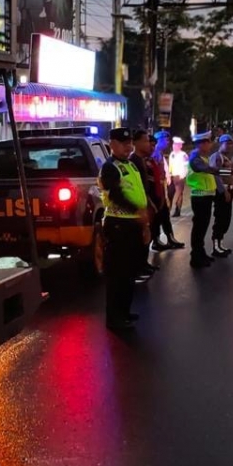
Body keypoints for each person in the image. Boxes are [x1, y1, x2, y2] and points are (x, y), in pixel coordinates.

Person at [98, 127, 149, 331]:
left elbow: (139, 191)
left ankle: (125, 312)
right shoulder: (110, 167)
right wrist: (137, 210)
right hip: (118, 225)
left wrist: (144, 222)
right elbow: (116, 196)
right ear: (112, 144)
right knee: (117, 274)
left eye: (129, 143)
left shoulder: (131, 165)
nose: (128, 146)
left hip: (133, 223)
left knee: (129, 272)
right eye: (123, 143)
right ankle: (114, 318)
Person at [186, 132, 221, 269]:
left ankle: (201, 253)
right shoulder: (195, 158)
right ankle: (195, 257)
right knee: (199, 228)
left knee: (202, 227)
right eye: (208, 142)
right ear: (202, 144)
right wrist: (227, 172)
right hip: (200, 197)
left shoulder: (202, 157)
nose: (211, 145)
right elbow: (205, 170)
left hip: (205, 196)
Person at [128, 129, 159, 277]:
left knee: (147, 234)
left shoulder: (142, 160)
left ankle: (144, 264)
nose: (149, 144)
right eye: (146, 141)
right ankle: (137, 268)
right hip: (139, 204)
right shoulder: (133, 160)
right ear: (136, 142)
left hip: (146, 201)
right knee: (140, 237)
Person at [149, 131, 184, 250]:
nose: (168, 142)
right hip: (154, 190)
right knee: (158, 215)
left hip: (160, 188)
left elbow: (164, 169)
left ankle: (169, 238)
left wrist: (167, 176)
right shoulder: (153, 154)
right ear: (159, 140)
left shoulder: (160, 153)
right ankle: (156, 240)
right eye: (166, 140)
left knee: (164, 214)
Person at [209, 134, 233, 257]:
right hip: (221, 192)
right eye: (228, 143)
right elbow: (216, 174)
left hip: (228, 190)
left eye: (231, 144)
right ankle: (215, 246)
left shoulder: (226, 158)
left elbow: (229, 176)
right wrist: (223, 191)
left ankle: (220, 243)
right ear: (221, 143)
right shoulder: (217, 157)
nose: (230, 146)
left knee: (226, 219)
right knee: (220, 218)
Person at [167, 136, 189, 217]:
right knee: (170, 193)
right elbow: (170, 165)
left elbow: (187, 166)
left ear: (180, 146)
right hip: (172, 176)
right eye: (173, 144)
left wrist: (182, 176)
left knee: (179, 195)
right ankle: (169, 209)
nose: (174, 146)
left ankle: (177, 210)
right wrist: (169, 174)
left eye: (176, 144)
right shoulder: (172, 154)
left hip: (179, 177)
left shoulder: (183, 155)